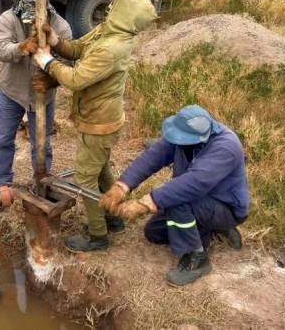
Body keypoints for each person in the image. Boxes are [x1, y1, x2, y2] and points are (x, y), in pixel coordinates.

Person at [32, 0, 158, 253]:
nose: (110, 7)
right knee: (100, 171)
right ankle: (113, 219)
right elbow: (79, 49)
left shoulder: (112, 48)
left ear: (125, 15)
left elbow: (77, 79)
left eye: (117, 6)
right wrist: (56, 43)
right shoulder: (107, 32)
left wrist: (47, 62)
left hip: (100, 123)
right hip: (98, 117)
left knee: (85, 179)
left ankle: (98, 236)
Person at [99, 104, 250, 286]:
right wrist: (122, 186)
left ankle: (197, 258)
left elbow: (192, 184)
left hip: (226, 208)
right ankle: (208, 228)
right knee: (154, 233)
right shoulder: (185, 136)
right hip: (201, 201)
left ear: (199, 138)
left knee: (178, 201)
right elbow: (153, 157)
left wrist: (145, 203)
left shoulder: (226, 147)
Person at [0, 0, 72, 208]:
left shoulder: (61, 26)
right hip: (12, 91)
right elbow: (0, 49)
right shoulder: (8, 19)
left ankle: (41, 180)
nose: (31, 23)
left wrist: (53, 80)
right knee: (3, 140)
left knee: (42, 143)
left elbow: (69, 62)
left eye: (36, 19)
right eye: (27, 18)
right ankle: (3, 182)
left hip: (43, 95)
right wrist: (21, 47)